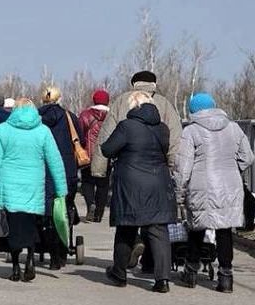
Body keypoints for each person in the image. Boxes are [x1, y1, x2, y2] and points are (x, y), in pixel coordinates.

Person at [93, 70, 183, 273]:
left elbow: (105, 139)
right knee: (158, 227)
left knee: (127, 223)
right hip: (158, 176)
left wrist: (99, 170)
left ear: (133, 83)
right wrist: (174, 168)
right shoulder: (165, 105)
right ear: (155, 84)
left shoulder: (121, 102)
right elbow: (176, 141)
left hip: (128, 176)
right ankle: (159, 276)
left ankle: (121, 268)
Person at [173, 93, 255, 293]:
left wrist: (179, 193)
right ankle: (226, 277)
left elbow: (183, 167)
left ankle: (191, 271)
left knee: (196, 228)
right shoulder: (233, 128)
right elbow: (248, 157)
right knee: (225, 231)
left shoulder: (191, 131)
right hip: (230, 185)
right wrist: (232, 169)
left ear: (194, 111)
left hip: (201, 185)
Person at [0, 98, 68, 282]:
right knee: (31, 224)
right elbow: (55, 160)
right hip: (33, 185)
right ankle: (30, 259)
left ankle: (15, 267)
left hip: (8, 185)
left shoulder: (3, 129)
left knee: (12, 226)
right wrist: (61, 189)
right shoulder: (43, 131)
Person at [101, 91, 177, 293]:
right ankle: (162, 280)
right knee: (159, 231)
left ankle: (119, 273)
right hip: (159, 183)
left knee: (126, 228)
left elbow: (107, 150)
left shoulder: (126, 127)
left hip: (131, 184)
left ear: (133, 107)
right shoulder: (163, 129)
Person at [38, 86, 83, 269]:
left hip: (42, 170)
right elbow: (79, 140)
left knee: (44, 211)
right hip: (66, 170)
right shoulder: (70, 117)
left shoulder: (37, 118)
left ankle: (41, 244)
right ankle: (61, 253)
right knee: (64, 209)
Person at [78, 89, 111, 223]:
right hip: (106, 155)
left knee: (87, 182)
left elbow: (80, 134)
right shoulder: (112, 115)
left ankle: (90, 203)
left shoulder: (85, 115)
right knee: (103, 185)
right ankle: (98, 214)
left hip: (88, 155)